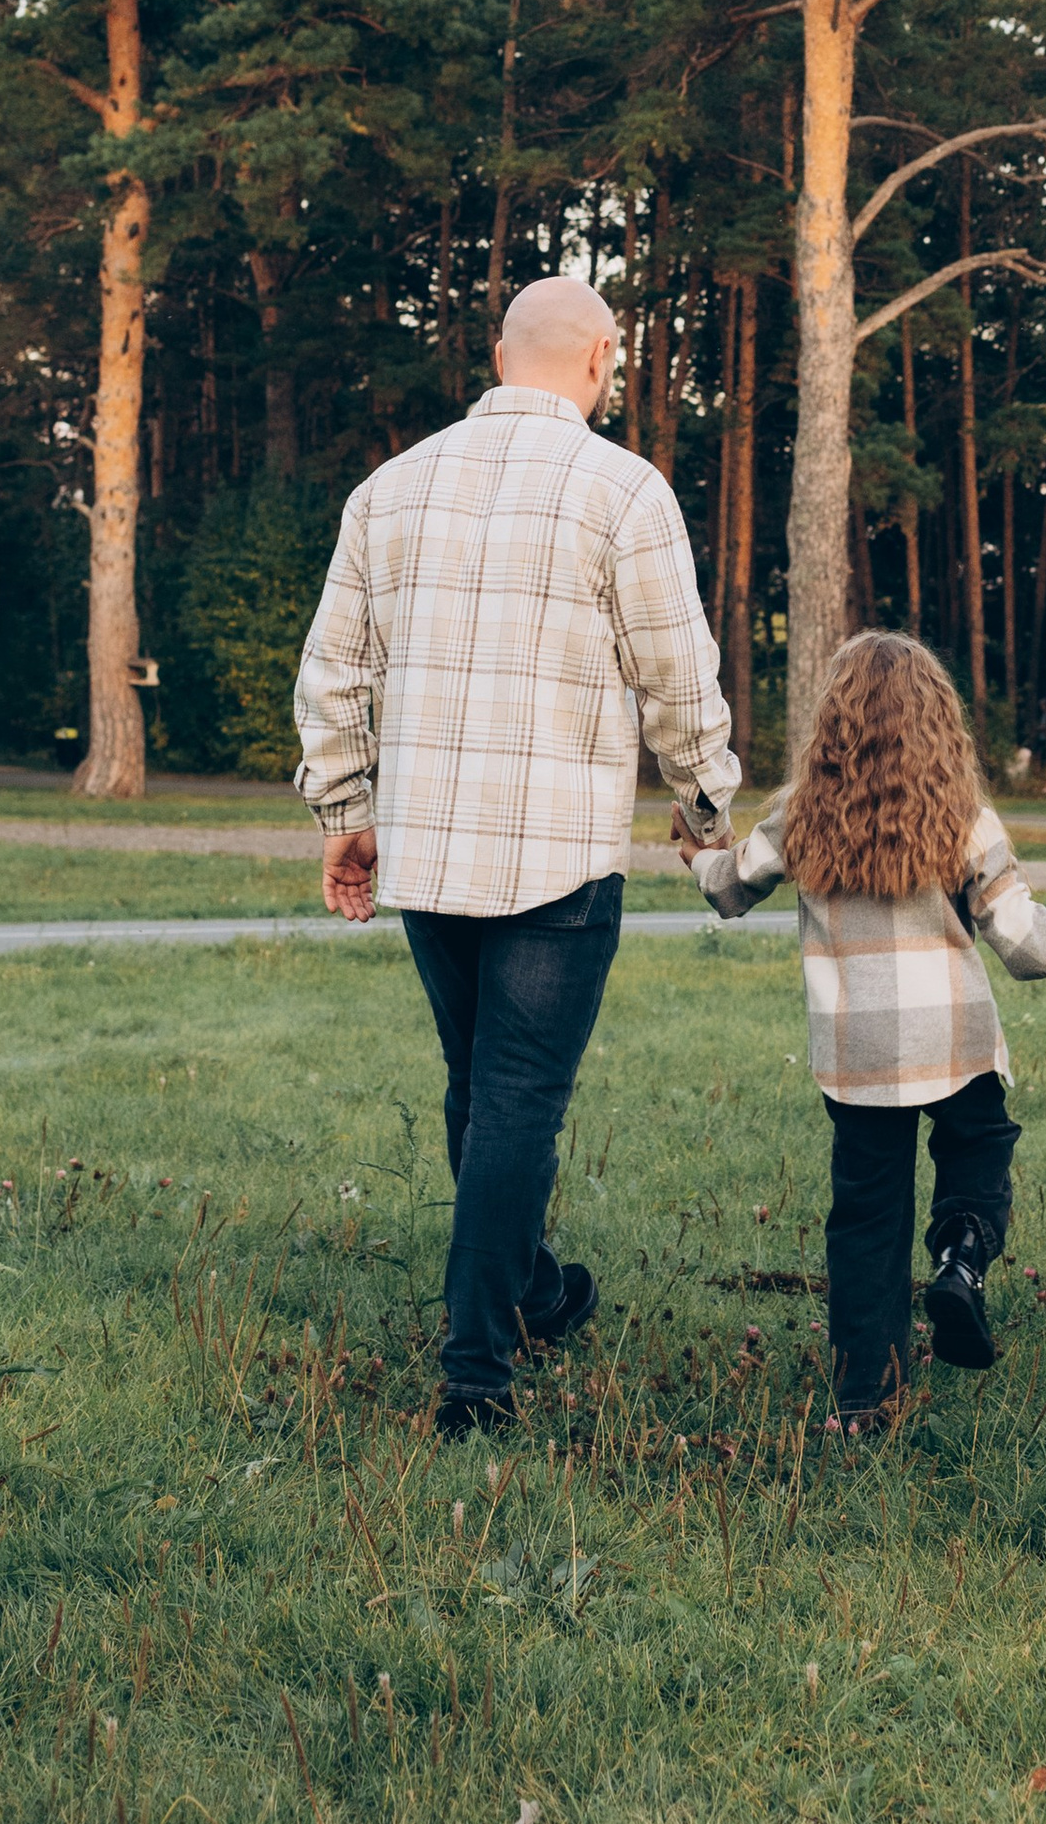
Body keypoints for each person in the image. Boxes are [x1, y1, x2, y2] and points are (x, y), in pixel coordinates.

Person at [294, 274, 737, 1439]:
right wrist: (701, 803)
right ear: (601, 358)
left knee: (477, 1085)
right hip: (556, 859)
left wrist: (344, 806)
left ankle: (533, 1291)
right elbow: (677, 677)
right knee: (515, 1103)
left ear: (500, 354)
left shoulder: (388, 491)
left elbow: (332, 670)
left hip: (430, 851)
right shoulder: (622, 491)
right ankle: (475, 1375)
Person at [684, 631, 1046, 1426]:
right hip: (954, 1041)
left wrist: (698, 852)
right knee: (979, 1149)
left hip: (858, 1052)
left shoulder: (802, 812)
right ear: (940, 721)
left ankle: (866, 1397)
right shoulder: (963, 815)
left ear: (833, 722)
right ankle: (962, 1258)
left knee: (866, 1215)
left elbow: (730, 889)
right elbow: (1018, 930)